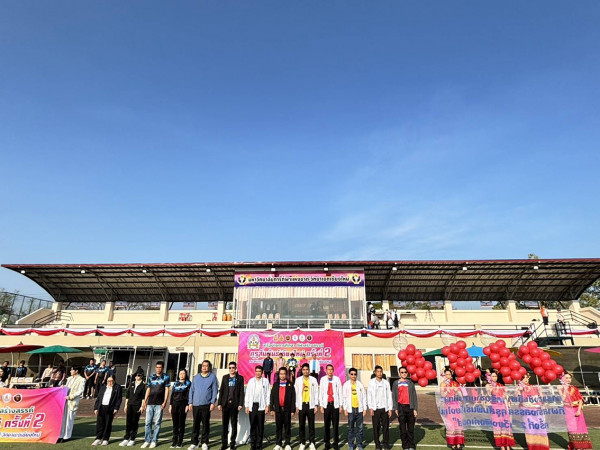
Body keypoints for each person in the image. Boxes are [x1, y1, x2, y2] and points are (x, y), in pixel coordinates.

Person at [188, 360, 219, 450]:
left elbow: (214, 390)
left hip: (206, 405)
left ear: (209, 367)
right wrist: (190, 402)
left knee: (205, 424)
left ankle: (205, 442)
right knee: (195, 424)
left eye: (206, 366)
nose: (204, 367)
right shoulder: (196, 377)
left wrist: (213, 402)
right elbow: (192, 390)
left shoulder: (212, 377)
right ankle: (194, 442)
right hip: (196, 404)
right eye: (203, 365)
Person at [141, 361, 171, 449]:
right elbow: (148, 389)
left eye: (160, 367)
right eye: (157, 367)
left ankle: (154, 441)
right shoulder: (151, 377)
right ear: (155, 368)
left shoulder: (166, 377)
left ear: (162, 368)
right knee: (147, 422)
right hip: (150, 403)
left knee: (157, 423)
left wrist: (165, 401)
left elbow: (167, 389)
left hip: (159, 404)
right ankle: (147, 440)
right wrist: (145, 400)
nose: (158, 369)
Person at [559, 372, 592, 450]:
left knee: (581, 428)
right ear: (562, 379)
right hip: (568, 410)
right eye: (566, 378)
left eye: (569, 378)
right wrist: (565, 389)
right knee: (572, 429)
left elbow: (580, 400)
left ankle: (582, 446)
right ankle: (575, 446)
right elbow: (563, 399)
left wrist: (579, 410)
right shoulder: (560, 388)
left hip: (577, 409)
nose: (568, 380)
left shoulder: (575, 388)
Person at [517, 372, 549, 450]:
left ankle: (542, 447)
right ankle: (532, 447)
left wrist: (540, 392)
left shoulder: (534, 387)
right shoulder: (519, 388)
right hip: (527, 411)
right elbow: (517, 398)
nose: (525, 379)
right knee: (530, 429)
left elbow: (542, 399)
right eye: (523, 378)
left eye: (527, 377)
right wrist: (519, 391)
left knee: (540, 428)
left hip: (537, 410)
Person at [218, 361, 245, 450]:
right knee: (224, 425)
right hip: (225, 404)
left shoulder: (240, 378)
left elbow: (241, 392)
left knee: (234, 425)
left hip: (235, 404)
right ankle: (224, 443)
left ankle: (232, 443)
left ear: (235, 368)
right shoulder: (225, 377)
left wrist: (240, 404)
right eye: (230, 368)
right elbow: (221, 391)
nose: (231, 369)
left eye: (233, 367)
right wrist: (219, 403)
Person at [485, 371, 515, 450]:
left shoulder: (501, 385)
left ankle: (507, 444)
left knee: (505, 424)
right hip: (495, 407)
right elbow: (488, 395)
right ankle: (501, 445)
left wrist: (506, 395)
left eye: (495, 376)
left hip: (503, 406)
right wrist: (490, 390)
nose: (494, 378)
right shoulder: (488, 385)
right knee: (498, 425)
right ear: (489, 377)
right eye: (493, 376)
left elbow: (505, 395)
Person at [391, 366, 418, 450]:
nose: (404, 374)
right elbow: (394, 396)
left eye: (405, 372)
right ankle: (405, 446)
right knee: (402, 429)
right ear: (399, 373)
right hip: (401, 408)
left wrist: (415, 409)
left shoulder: (410, 383)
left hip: (410, 408)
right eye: (402, 372)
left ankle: (411, 446)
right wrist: (395, 408)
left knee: (410, 429)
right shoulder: (396, 383)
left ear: (407, 373)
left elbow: (414, 396)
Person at [244, 365, 271, 450]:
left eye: (259, 371)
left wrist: (267, 405)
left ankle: (259, 445)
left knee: (260, 426)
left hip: (261, 406)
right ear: (255, 372)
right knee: (253, 425)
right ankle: (253, 444)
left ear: (262, 372)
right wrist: (247, 405)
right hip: (252, 406)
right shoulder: (251, 381)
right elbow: (247, 394)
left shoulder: (265, 381)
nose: (258, 373)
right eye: (256, 371)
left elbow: (268, 394)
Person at [367, 365, 393, 450]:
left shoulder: (386, 383)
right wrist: (370, 407)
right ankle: (377, 444)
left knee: (385, 427)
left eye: (381, 371)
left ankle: (385, 444)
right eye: (378, 371)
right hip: (375, 409)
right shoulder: (371, 382)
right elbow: (369, 395)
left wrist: (390, 408)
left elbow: (389, 396)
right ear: (375, 372)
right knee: (376, 427)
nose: (379, 373)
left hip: (384, 408)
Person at [92, 375, 122, 446]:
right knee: (99, 423)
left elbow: (119, 399)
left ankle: (105, 439)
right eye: (108, 381)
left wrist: (116, 408)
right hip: (101, 407)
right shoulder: (103, 387)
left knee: (108, 424)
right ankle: (98, 438)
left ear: (114, 381)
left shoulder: (117, 387)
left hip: (110, 408)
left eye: (111, 381)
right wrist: (96, 408)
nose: (109, 383)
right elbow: (98, 398)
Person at [295, 363, 319, 450]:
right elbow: (296, 393)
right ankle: (302, 443)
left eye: (307, 369)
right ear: (302, 370)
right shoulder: (298, 380)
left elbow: (316, 392)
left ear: (309, 370)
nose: (305, 371)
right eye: (304, 370)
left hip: (310, 405)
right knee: (301, 425)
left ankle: (312, 442)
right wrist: (297, 406)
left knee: (311, 425)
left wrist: (316, 405)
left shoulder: (313, 380)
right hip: (301, 405)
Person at [270, 367, 296, 450]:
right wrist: (272, 408)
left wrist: (293, 410)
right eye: (281, 374)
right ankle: (278, 444)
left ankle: (287, 443)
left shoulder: (290, 384)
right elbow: (272, 397)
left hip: (287, 410)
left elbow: (293, 398)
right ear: (279, 375)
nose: (282, 375)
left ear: (286, 374)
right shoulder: (275, 384)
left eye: (284, 374)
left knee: (287, 427)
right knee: (278, 427)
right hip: (278, 409)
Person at [58, 366, 86, 443]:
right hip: (65, 400)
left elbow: (80, 390)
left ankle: (67, 436)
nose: (70, 371)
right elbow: (67, 387)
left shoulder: (82, 379)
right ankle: (61, 435)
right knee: (63, 418)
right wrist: (63, 387)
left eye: (72, 370)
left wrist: (71, 396)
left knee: (69, 419)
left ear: (76, 371)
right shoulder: (69, 378)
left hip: (72, 401)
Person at [319, 364, 343, 450]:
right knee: (326, 425)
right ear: (326, 371)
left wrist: (340, 405)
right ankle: (327, 444)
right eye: (328, 369)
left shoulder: (337, 379)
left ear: (333, 370)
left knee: (335, 425)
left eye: (331, 369)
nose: (330, 371)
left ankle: (336, 444)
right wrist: (321, 405)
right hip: (326, 405)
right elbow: (321, 393)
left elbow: (340, 392)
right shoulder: (323, 379)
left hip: (335, 405)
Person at [343, 367, 367, 450]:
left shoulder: (360, 384)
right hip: (351, 409)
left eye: (355, 374)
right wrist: (345, 409)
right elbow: (344, 397)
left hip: (359, 409)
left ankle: (359, 444)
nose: (353, 376)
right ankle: (351, 444)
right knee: (351, 428)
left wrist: (364, 409)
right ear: (349, 375)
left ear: (356, 375)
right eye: (352, 374)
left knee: (360, 428)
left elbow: (364, 397)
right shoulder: (346, 385)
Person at [440, 369, 465, 450]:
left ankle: (458, 443)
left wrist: (457, 391)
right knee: (451, 423)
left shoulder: (455, 383)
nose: (448, 376)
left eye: (449, 374)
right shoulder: (443, 384)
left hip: (456, 405)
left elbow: (461, 395)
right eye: (446, 374)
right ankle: (452, 443)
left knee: (458, 423)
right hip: (448, 405)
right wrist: (447, 391)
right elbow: (442, 395)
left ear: (451, 375)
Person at [120, 372, 146, 447]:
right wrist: (125, 405)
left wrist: (142, 406)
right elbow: (127, 396)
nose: (137, 376)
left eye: (139, 375)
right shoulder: (131, 384)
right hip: (130, 404)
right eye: (136, 375)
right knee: (128, 422)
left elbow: (143, 397)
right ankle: (126, 438)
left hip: (137, 405)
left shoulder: (143, 385)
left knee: (135, 422)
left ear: (141, 376)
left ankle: (132, 439)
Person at [170, 369, 192, 449]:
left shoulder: (188, 383)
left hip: (183, 405)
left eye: (183, 373)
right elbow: (172, 394)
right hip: (175, 404)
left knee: (181, 424)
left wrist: (188, 404)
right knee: (175, 424)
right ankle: (174, 442)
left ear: (186, 374)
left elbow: (189, 394)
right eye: (180, 373)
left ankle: (180, 442)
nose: (182, 375)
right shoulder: (175, 383)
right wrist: (170, 405)